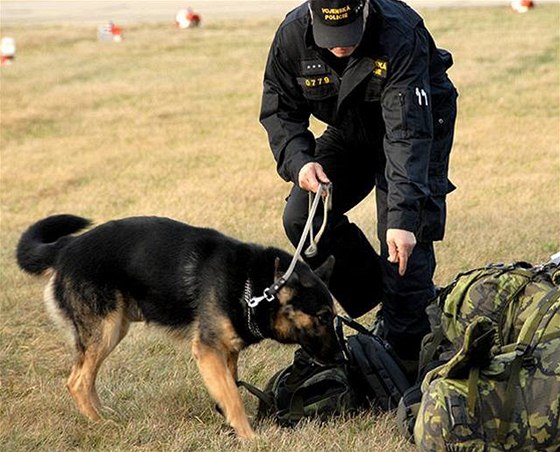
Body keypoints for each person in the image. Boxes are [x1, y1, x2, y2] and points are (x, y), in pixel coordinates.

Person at [259, 0, 458, 370]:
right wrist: (300, 162)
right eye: (330, 37)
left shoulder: (399, 33)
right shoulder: (292, 35)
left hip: (415, 127)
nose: (339, 46)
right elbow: (280, 110)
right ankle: (387, 304)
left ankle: (409, 350)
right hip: (350, 128)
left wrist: (402, 217)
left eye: (348, 34)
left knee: (401, 240)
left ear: (365, 9)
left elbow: (406, 134)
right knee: (304, 218)